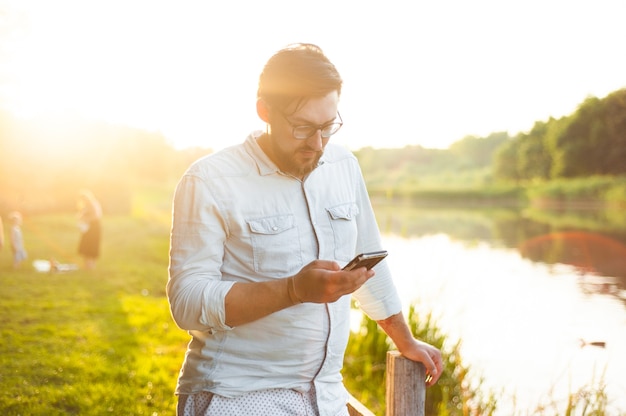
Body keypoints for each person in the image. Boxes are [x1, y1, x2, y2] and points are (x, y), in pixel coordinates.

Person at [167, 43, 443, 416]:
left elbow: (370, 261)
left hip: (327, 395)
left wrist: (404, 340)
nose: (317, 144)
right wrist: (292, 290)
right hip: (237, 395)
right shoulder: (210, 179)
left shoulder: (343, 165)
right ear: (265, 110)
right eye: (302, 128)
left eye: (328, 127)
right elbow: (187, 302)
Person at [77, 190, 102, 270]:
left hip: (93, 227)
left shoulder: (92, 204)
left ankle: (91, 264)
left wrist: (86, 219)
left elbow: (95, 217)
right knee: (86, 245)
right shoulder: (86, 205)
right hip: (87, 227)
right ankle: (87, 264)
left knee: (91, 245)